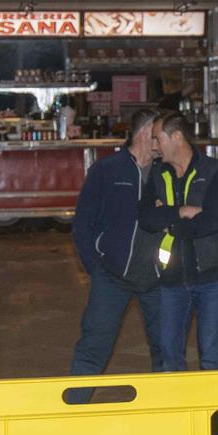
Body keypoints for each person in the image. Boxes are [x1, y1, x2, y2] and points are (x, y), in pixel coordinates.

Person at [69, 107, 165, 381]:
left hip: (158, 279)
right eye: (159, 134)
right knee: (92, 349)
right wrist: (96, 269)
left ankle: (166, 416)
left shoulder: (167, 172)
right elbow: (82, 225)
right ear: (146, 133)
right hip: (111, 277)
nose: (164, 140)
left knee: (166, 351)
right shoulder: (106, 170)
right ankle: (74, 413)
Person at [140, 113, 218, 372]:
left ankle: (212, 413)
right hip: (171, 279)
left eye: (157, 139)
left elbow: (215, 221)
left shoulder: (217, 171)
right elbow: (146, 218)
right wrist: (180, 211)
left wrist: (168, 219)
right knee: (169, 355)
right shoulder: (159, 174)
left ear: (177, 137)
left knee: (212, 357)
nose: (154, 146)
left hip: (212, 278)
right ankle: (177, 411)